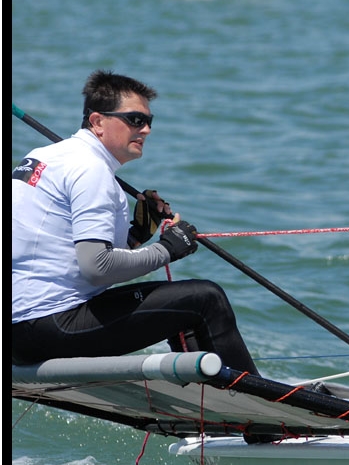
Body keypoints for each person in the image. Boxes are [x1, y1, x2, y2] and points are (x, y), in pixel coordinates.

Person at [12, 70, 261, 378]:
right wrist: (168, 249)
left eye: (148, 121)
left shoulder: (44, 157)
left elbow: (58, 253)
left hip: (20, 329)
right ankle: (268, 415)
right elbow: (97, 268)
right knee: (205, 300)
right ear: (97, 122)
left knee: (184, 305)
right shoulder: (91, 170)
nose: (145, 130)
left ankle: (214, 408)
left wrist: (136, 235)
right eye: (134, 119)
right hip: (48, 325)